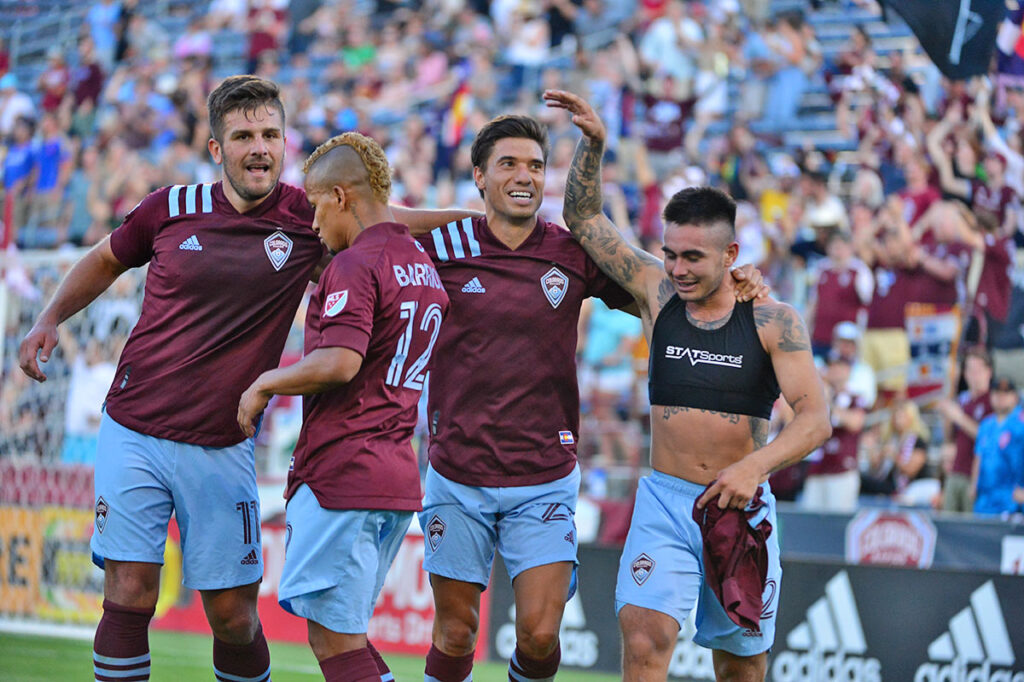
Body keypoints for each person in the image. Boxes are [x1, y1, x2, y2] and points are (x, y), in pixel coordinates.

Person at [18, 75, 466, 682]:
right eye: (243, 135)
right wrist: (48, 318)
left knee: (232, 614)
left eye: (270, 134)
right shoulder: (170, 208)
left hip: (223, 441)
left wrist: (491, 225)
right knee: (129, 588)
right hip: (134, 427)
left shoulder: (309, 216)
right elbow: (103, 258)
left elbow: (394, 218)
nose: (259, 147)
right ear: (215, 148)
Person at [411, 113, 767, 682]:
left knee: (539, 635)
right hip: (458, 473)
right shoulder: (442, 244)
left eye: (534, 164)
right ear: (479, 175)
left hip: (544, 476)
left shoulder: (570, 250)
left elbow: (669, 295)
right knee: (455, 633)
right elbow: (369, 232)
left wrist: (735, 277)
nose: (524, 175)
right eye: (508, 164)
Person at [547, 88, 830, 682]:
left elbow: (814, 419)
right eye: (671, 253)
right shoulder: (657, 294)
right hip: (665, 505)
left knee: (741, 669)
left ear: (731, 253)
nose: (678, 268)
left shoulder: (774, 321)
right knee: (645, 640)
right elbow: (584, 221)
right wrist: (594, 146)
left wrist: (756, 467)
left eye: (694, 257)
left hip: (740, 508)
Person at [236, 132, 449, 682]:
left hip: (345, 470)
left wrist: (264, 384)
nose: (310, 224)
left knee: (333, 636)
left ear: (339, 196)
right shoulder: (420, 265)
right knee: (344, 633)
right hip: (394, 472)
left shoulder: (356, 264)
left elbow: (341, 361)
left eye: (313, 207)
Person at [937, 346, 994, 512]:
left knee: (970, 525)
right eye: (969, 369)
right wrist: (946, 415)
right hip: (956, 471)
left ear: (988, 372)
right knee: (949, 524)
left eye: (977, 370)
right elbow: (949, 437)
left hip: (975, 474)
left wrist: (959, 417)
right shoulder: (963, 401)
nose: (973, 375)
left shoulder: (991, 401)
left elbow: (988, 438)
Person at [973, 377, 1024, 516]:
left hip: (1012, 501)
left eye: (1006, 393)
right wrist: (973, 486)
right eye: (997, 393)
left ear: (1014, 396)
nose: (1001, 397)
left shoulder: (1020, 423)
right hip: (985, 500)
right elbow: (979, 455)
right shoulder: (986, 424)